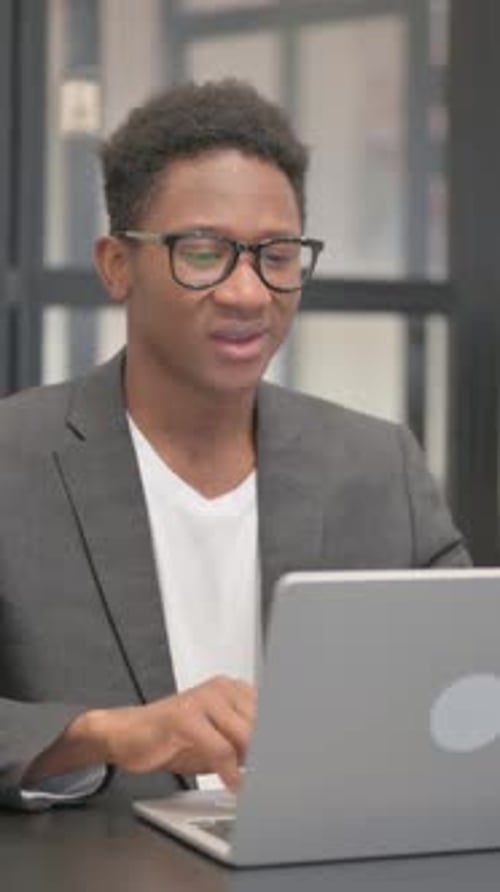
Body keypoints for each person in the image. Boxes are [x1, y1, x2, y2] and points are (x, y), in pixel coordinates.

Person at [0, 79, 469, 811]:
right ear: (117, 265)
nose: (248, 293)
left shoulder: (379, 467)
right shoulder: (15, 461)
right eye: (203, 252)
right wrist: (102, 734)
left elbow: (469, 683)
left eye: (276, 255)